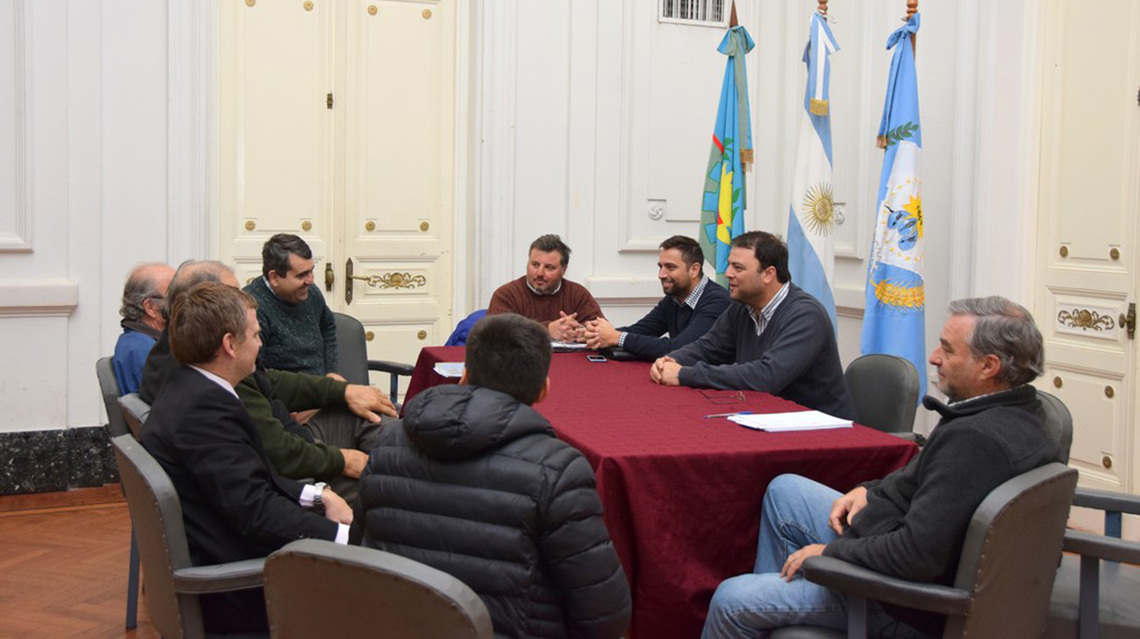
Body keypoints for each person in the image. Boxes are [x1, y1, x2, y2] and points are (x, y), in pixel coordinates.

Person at [701, 296, 1062, 639]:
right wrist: (869, 490)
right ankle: (778, 603)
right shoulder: (1025, 412)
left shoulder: (974, 440)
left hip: (902, 601)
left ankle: (770, 603)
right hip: (888, 538)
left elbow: (915, 555)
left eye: (948, 350)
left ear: (989, 366)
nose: (933, 358)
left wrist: (830, 555)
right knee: (786, 490)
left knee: (733, 598)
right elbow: (920, 482)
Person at [357, 313, 631, 639]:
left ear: (464, 375)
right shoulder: (560, 470)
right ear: (543, 391)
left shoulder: (388, 441)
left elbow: (361, 552)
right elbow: (604, 615)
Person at [140, 281, 352, 634]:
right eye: (255, 335)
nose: (260, 343)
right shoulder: (203, 412)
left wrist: (319, 495)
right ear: (229, 344)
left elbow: (250, 480)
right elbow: (255, 512)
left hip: (230, 548)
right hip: (238, 587)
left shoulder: (192, 386)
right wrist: (341, 537)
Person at [140, 260, 394, 504]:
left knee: (366, 415)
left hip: (294, 448)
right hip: (294, 472)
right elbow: (279, 455)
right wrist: (343, 460)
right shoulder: (210, 369)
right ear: (203, 305)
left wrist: (343, 390)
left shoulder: (183, 352)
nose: (243, 305)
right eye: (232, 297)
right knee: (389, 483)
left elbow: (271, 381)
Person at [651, 231, 855, 420]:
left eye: (737, 268)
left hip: (822, 429)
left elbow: (767, 376)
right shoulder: (741, 307)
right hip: (767, 417)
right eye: (729, 265)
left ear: (768, 274)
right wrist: (672, 360)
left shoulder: (805, 315)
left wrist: (683, 374)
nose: (728, 273)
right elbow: (707, 348)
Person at [584, 235, 730, 360]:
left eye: (670, 267)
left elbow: (680, 348)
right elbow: (641, 330)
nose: (661, 275)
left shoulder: (718, 301)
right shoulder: (674, 298)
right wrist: (595, 333)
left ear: (694, 270)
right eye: (660, 267)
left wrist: (616, 337)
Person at [244, 233, 338, 376]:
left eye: (311, 271)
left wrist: (331, 372)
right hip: (284, 394)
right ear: (274, 278)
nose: (310, 281)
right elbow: (256, 374)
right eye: (301, 275)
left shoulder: (311, 292)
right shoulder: (252, 308)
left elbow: (328, 326)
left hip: (322, 389)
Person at [487, 234, 604, 342]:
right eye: (535, 265)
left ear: (564, 270)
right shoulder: (507, 294)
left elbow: (602, 330)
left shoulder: (577, 294)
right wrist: (547, 330)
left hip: (571, 362)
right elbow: (494, 337)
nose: (539, 273)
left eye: (549, 267)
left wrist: (581, 331)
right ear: (527, 264)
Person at [112, 262, 174, 394]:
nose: (184, 301)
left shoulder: (136, 341)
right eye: (174, 296)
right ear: (150, 307)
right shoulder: (145, 350)